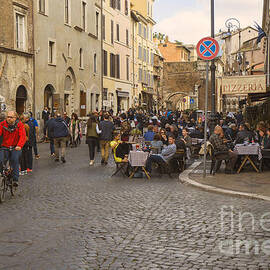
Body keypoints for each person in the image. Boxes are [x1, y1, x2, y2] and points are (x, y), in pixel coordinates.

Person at [0, 111, 26, 186]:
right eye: (8, 117)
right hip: (5, 146)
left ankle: (15, 179)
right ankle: (3, 174)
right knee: (1, 160)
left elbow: (23, 136)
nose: (9, 119)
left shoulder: (19, 125)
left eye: (11, 117)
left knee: (14, 160)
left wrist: (19, 145)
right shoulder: (2, 124)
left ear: (15, 118)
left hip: (16, 147)